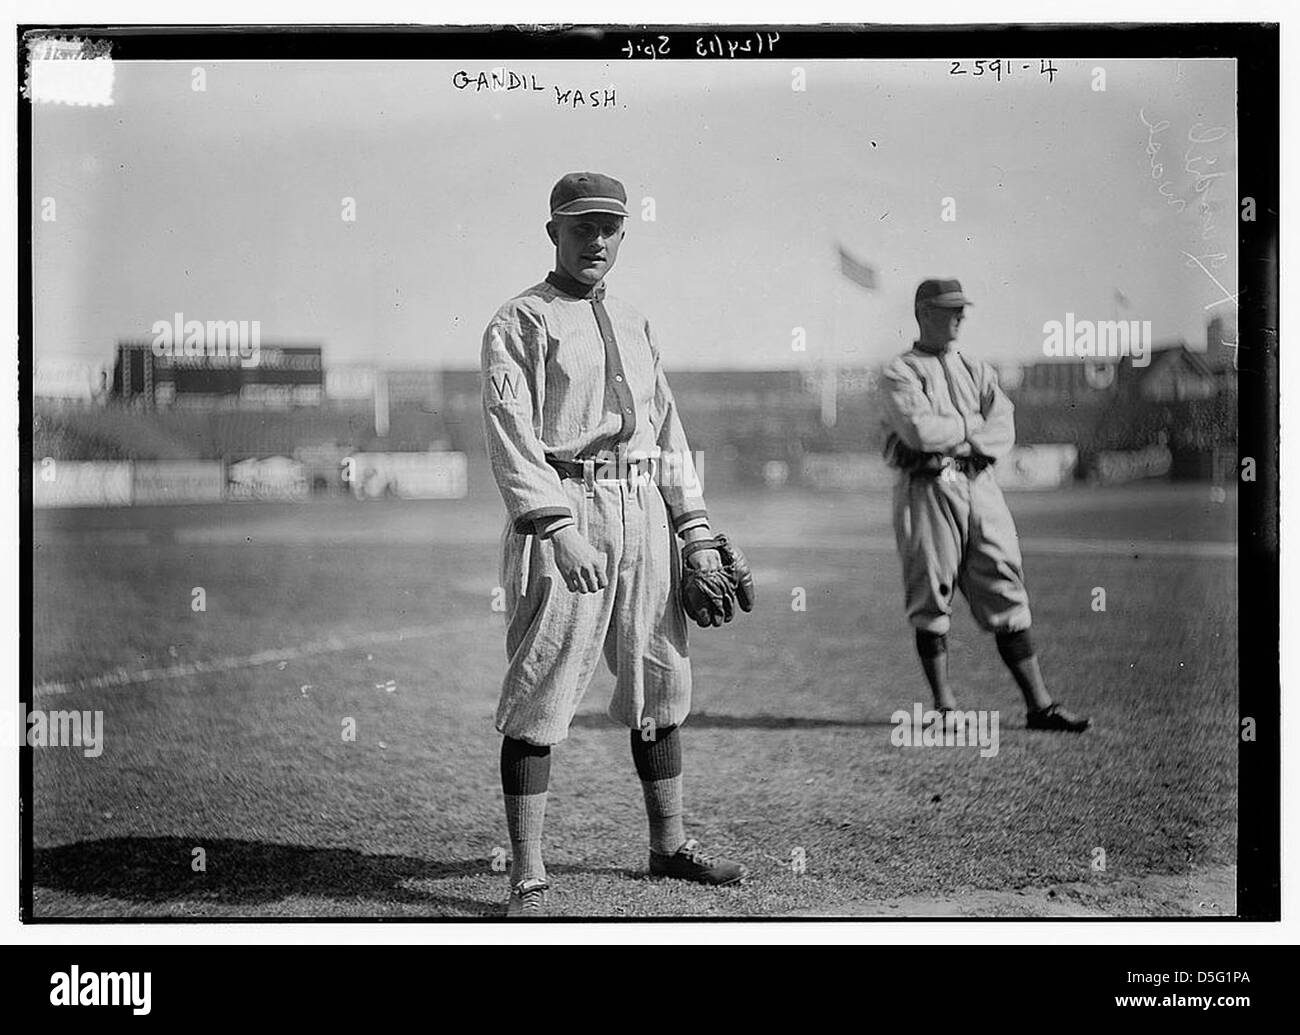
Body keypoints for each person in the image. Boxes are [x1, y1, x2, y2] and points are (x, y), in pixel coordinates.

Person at [481, 171, 747, 918]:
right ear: (553, 233)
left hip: (642, 510)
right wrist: (556, 528)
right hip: (566, 503)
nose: (596, 240)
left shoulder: (635, 320)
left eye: (609, 227)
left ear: (624, 233)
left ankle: (668, 846)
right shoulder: (520, 320)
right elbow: (511, 437)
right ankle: (528, 872)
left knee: (660, 681)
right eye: (580, 227)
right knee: (543, 686)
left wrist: (692, 530)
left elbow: (666, 431)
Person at [881, 278, 1091, 734]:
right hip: (929, 487)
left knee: (1005, 584)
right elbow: (919, 433)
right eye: (948, 309)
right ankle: (946, 706)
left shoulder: (976, 367)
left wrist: (960, 434)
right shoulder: (901, 371)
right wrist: (971, 428)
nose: (959, 317)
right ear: (923, 313)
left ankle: (1040, 705)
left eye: (961, 309)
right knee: (931, 592)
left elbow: (1004, 426)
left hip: (979, 483)